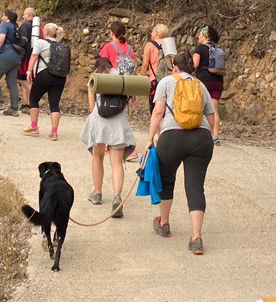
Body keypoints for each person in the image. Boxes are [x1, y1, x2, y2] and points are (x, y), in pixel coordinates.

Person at [144, 51, 216, 254]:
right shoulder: (200, 85)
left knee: (167, 180)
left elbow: (158, 111)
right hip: (200, 137)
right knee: (195, 186)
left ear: (175, 67)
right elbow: (212, 115)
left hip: (172, 136)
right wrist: (212, 135)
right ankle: (196, 237)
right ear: (191, 69)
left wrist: (150, 138)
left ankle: (164, 224)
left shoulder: (166, 82)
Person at [78, 56, 134, 218]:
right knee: (116, 162)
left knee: (98, 156)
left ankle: (97, 193)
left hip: (99, 121)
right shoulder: (120, 76)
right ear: (111, 65)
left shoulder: (94, 78)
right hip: (118, 122)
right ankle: (117, 197)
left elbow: (91, 107)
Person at [23, 22, 69, 141]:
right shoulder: (62, 45)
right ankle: (54, 132)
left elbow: (34, 57)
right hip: (60, 77)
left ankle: (34, 127)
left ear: (46, 32)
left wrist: (28, 72)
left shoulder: (40, 42)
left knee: (33, 99)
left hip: (44, 74)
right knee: (54, 104)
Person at [191, 25, 225, 145]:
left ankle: (199, 136)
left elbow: (194, 65)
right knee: (214, 109)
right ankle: (215, 137)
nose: (198, 36)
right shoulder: (218, 49)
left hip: (204, 80)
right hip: (218, 81)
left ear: (205, 35)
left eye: (200, 34)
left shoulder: (199, 48)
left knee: (200, 108)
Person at [0, 8, 22, 116]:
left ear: (7, 17)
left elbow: (1, 39)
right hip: (16, 58)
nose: (2, 17)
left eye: (3, 15)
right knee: (12, 83)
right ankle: (14, 108)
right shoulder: (15, 27)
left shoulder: (5, 25)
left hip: (6, 57)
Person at [142, 23, 172, 112]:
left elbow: (145, 65)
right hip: (168, 79)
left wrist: (142, 79)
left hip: (155, 79)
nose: (151, 33)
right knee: (166, 109)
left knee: (155, 109)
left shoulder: (149, 45)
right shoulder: (169, 45)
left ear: (157, 33)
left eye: (153, 31)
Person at [16, 7, 36, 111]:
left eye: (24, 14)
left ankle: (34, 100)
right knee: (26, 80)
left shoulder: (25, 25)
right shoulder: (37, 26)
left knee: (22, 80)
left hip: (26, 57)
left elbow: (23, 42)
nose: (23, 16)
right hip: (34, 56)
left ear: (28, 15)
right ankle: (26, 103)